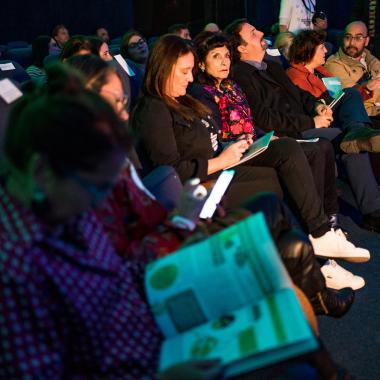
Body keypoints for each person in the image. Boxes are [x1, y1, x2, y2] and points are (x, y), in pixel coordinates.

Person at [67, 54, 356, 317]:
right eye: (116, 103)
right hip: (176, 239)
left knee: (282, 203)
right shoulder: (87, 171)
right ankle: (314, 276)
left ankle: (316, 270)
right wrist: (192, 214)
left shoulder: (121, 146)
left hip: (184, 214)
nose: (190, 78)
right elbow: (166, 180)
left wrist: (232, 150)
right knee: (282, 213)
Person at [0, 63, 228, 380]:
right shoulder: (14, 269)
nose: (99, 201)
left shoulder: (66, 206)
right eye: (95, 187)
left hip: (157, 339)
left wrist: (186, 248)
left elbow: (117, 275)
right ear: (41, 174)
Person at [131, 34, 370, 274]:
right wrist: (222, 158)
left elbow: (212, 137)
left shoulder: (184, 100)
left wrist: (235, 146)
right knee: (285, 180)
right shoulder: (154, 108)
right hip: (203, 188)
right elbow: (170, 172)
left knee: (288, 151)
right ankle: (318, 258)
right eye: (184, 72)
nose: (190, 78)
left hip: (223, 164)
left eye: (191, 71)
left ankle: (320, 245)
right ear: (163, 69)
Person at [287, 29, 380, 233]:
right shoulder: (294, 76)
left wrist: (365, 89)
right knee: (352, 138)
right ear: (308, 51)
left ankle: (373, 212)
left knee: (353, 143)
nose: (325, 52)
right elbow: (302, 110)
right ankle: (373, 212)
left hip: (335, 121)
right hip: (311, 127)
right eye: (321, 48)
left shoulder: (323, 73)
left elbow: (342, 102)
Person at [325, 21, 380, 117]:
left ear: (366, 41)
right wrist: (367, 87)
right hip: (363, 119)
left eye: (358, 38)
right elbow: (342, 101)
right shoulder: (332, 64)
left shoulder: (372, 60)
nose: (352, 43)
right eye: (347, 37)